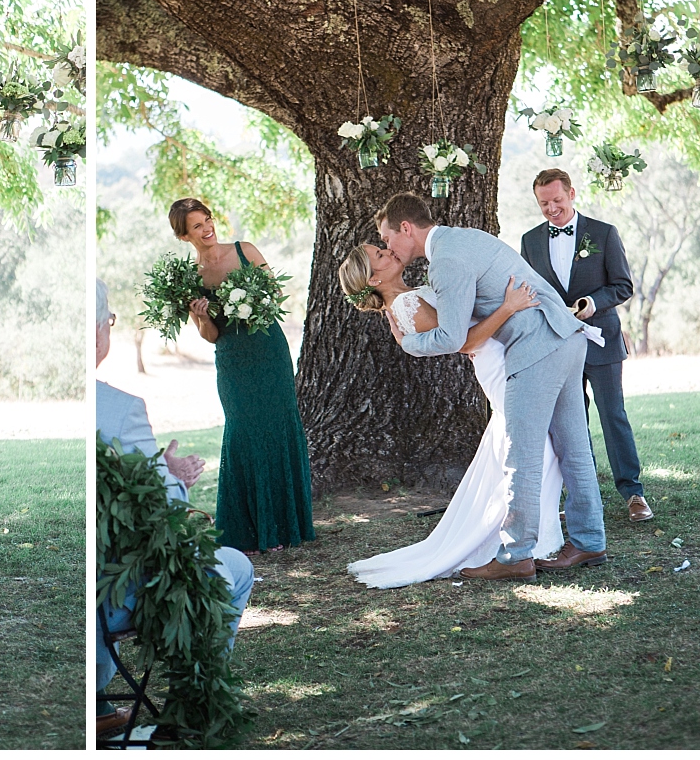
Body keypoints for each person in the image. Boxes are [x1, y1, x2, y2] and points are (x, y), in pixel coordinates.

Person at [338, 243, 602, 586]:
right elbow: (463, 342)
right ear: (373, 278)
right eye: (380, 255)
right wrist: (508, 308)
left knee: (541, 448)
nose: (389, 252)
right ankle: (516, 544)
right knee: (536, 450)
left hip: (511, 352)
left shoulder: (411, 295)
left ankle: (522, 539)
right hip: (495, 359)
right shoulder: (406, 303)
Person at [94, 279, 252, 734]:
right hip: (117, 599)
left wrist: (155, 466)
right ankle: (196, 698)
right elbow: (162, 514)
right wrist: (173, 477)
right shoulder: (121, 409)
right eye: (108, 321)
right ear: (98, 331)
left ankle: (101, 704)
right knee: (235, 565)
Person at [171, 197, 314, 553]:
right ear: (184, 236)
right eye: (197, 227)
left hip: (268, 350)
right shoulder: (192, 278)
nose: (207, 229)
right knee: (243, 430)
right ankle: (247, 529)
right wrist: (203, 316)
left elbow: (276, 296)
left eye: (208, 220)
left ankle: (284, 526)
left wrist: (253, 300)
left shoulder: (245, 250)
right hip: (233, 360)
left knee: (279, 425)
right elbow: (210, 335)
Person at [521, 169, 651, 522]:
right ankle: (583, 496)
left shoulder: (604, 233)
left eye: (557, 200)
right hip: (557, 345)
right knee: (569, 423)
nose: (551, 209)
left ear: (572, 194)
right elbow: (531, 292)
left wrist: (593, 303)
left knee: (613, 416)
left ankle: (634, 494)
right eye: (544, 203)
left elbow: (623, 286)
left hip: (602, 341)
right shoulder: (530, 241)